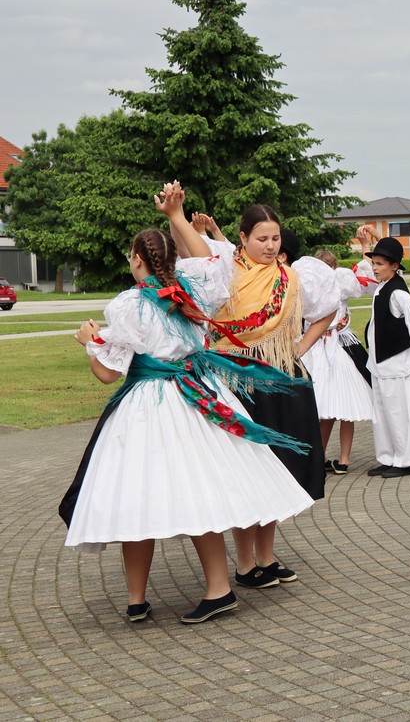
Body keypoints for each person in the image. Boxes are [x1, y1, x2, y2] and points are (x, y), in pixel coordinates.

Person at [60, 184, 314, 624]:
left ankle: (137, 599)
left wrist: (89, 343)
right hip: (198, 396)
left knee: (135, 495)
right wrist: (177, 218)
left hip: (149, 407)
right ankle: (218, 587)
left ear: (136, 259)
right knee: (202, 489)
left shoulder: (129, 306)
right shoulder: (194, 292)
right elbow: (212, 262)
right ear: (174, 260)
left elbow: (107, 374)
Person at [180, 202, 339, 590]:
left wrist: (301, 346)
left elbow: (327, 311)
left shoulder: (292, 277)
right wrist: (177, 219)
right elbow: (187, 257)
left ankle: (266, 557)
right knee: (247, 470)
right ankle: (245, 562)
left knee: (280, 467)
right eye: (262, 239)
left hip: (282, 376)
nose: (270, 246)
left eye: (275, 238)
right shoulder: (224, 270)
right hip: (238, 382)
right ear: (243, 238)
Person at [361, 236, 410, 478]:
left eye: (379, 264)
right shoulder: (382, 287)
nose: (374, 268)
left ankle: (405, 461)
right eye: (373, 263)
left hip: (396, 363)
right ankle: (388, 457)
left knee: (399, 413)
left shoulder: (397, 292)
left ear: (394, 266)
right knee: (383, 414)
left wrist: (402, 341)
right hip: (381, 364)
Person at [299, 243, 376, 475]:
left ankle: (324, 457)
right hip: (327, 347)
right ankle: (340, 459)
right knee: (338, 406)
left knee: (331, 406)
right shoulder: (338, 283)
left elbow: (363, 275)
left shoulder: (321, 284)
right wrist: (365, 246)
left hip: (326, 346)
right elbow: (365, 274)